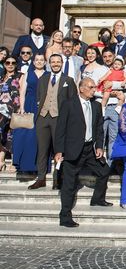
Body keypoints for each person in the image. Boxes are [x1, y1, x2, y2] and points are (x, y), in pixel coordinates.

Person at [54, 78, 112, 227]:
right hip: (72, 150)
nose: (94, 90)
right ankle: (65, 216)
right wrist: (59, 150)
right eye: (91, 87)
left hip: (90, 149)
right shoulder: (68, 104)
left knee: (104, 171)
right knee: (69, 183)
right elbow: (60, 129)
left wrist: (99, 146)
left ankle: (97, 199)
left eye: (95, 87)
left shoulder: (96, 106)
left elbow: (99, 129)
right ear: (81, 88)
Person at [30, 54, 78, 189]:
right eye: (53, 62)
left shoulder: (68, 80)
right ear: (49, 63)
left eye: (58, 62)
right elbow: (39, 96)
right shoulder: (43, 78)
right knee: (42, 149)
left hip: (59, 119)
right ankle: (41, 178)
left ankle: (58, 179)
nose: (56, 64)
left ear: (62, 63)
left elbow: (72, 102)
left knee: (59, 150)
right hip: (43, 117)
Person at [13, 54, 48, 173]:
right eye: (37, 60)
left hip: (43, 106)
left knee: (39, 136)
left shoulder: (48, 75)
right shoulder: (28, 73)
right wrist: (22, 107)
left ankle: (38, 166)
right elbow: (22, 92)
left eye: (41, 60)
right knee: (25, 134)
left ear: (45, 62)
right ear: (33, 62)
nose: (39, 62)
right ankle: (24, 165)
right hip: (29, 105)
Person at [0, 56, 21, 172]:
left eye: (13, 62)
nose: (10, 64)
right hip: (1, 110)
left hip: (14, 108)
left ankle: (14, 161)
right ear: (4, 64)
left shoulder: (20, 76)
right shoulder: (1, 77)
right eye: (8, 62)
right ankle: (1, 159)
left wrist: (21, 107)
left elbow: (22, 92)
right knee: (1, 134)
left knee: (12, 135)